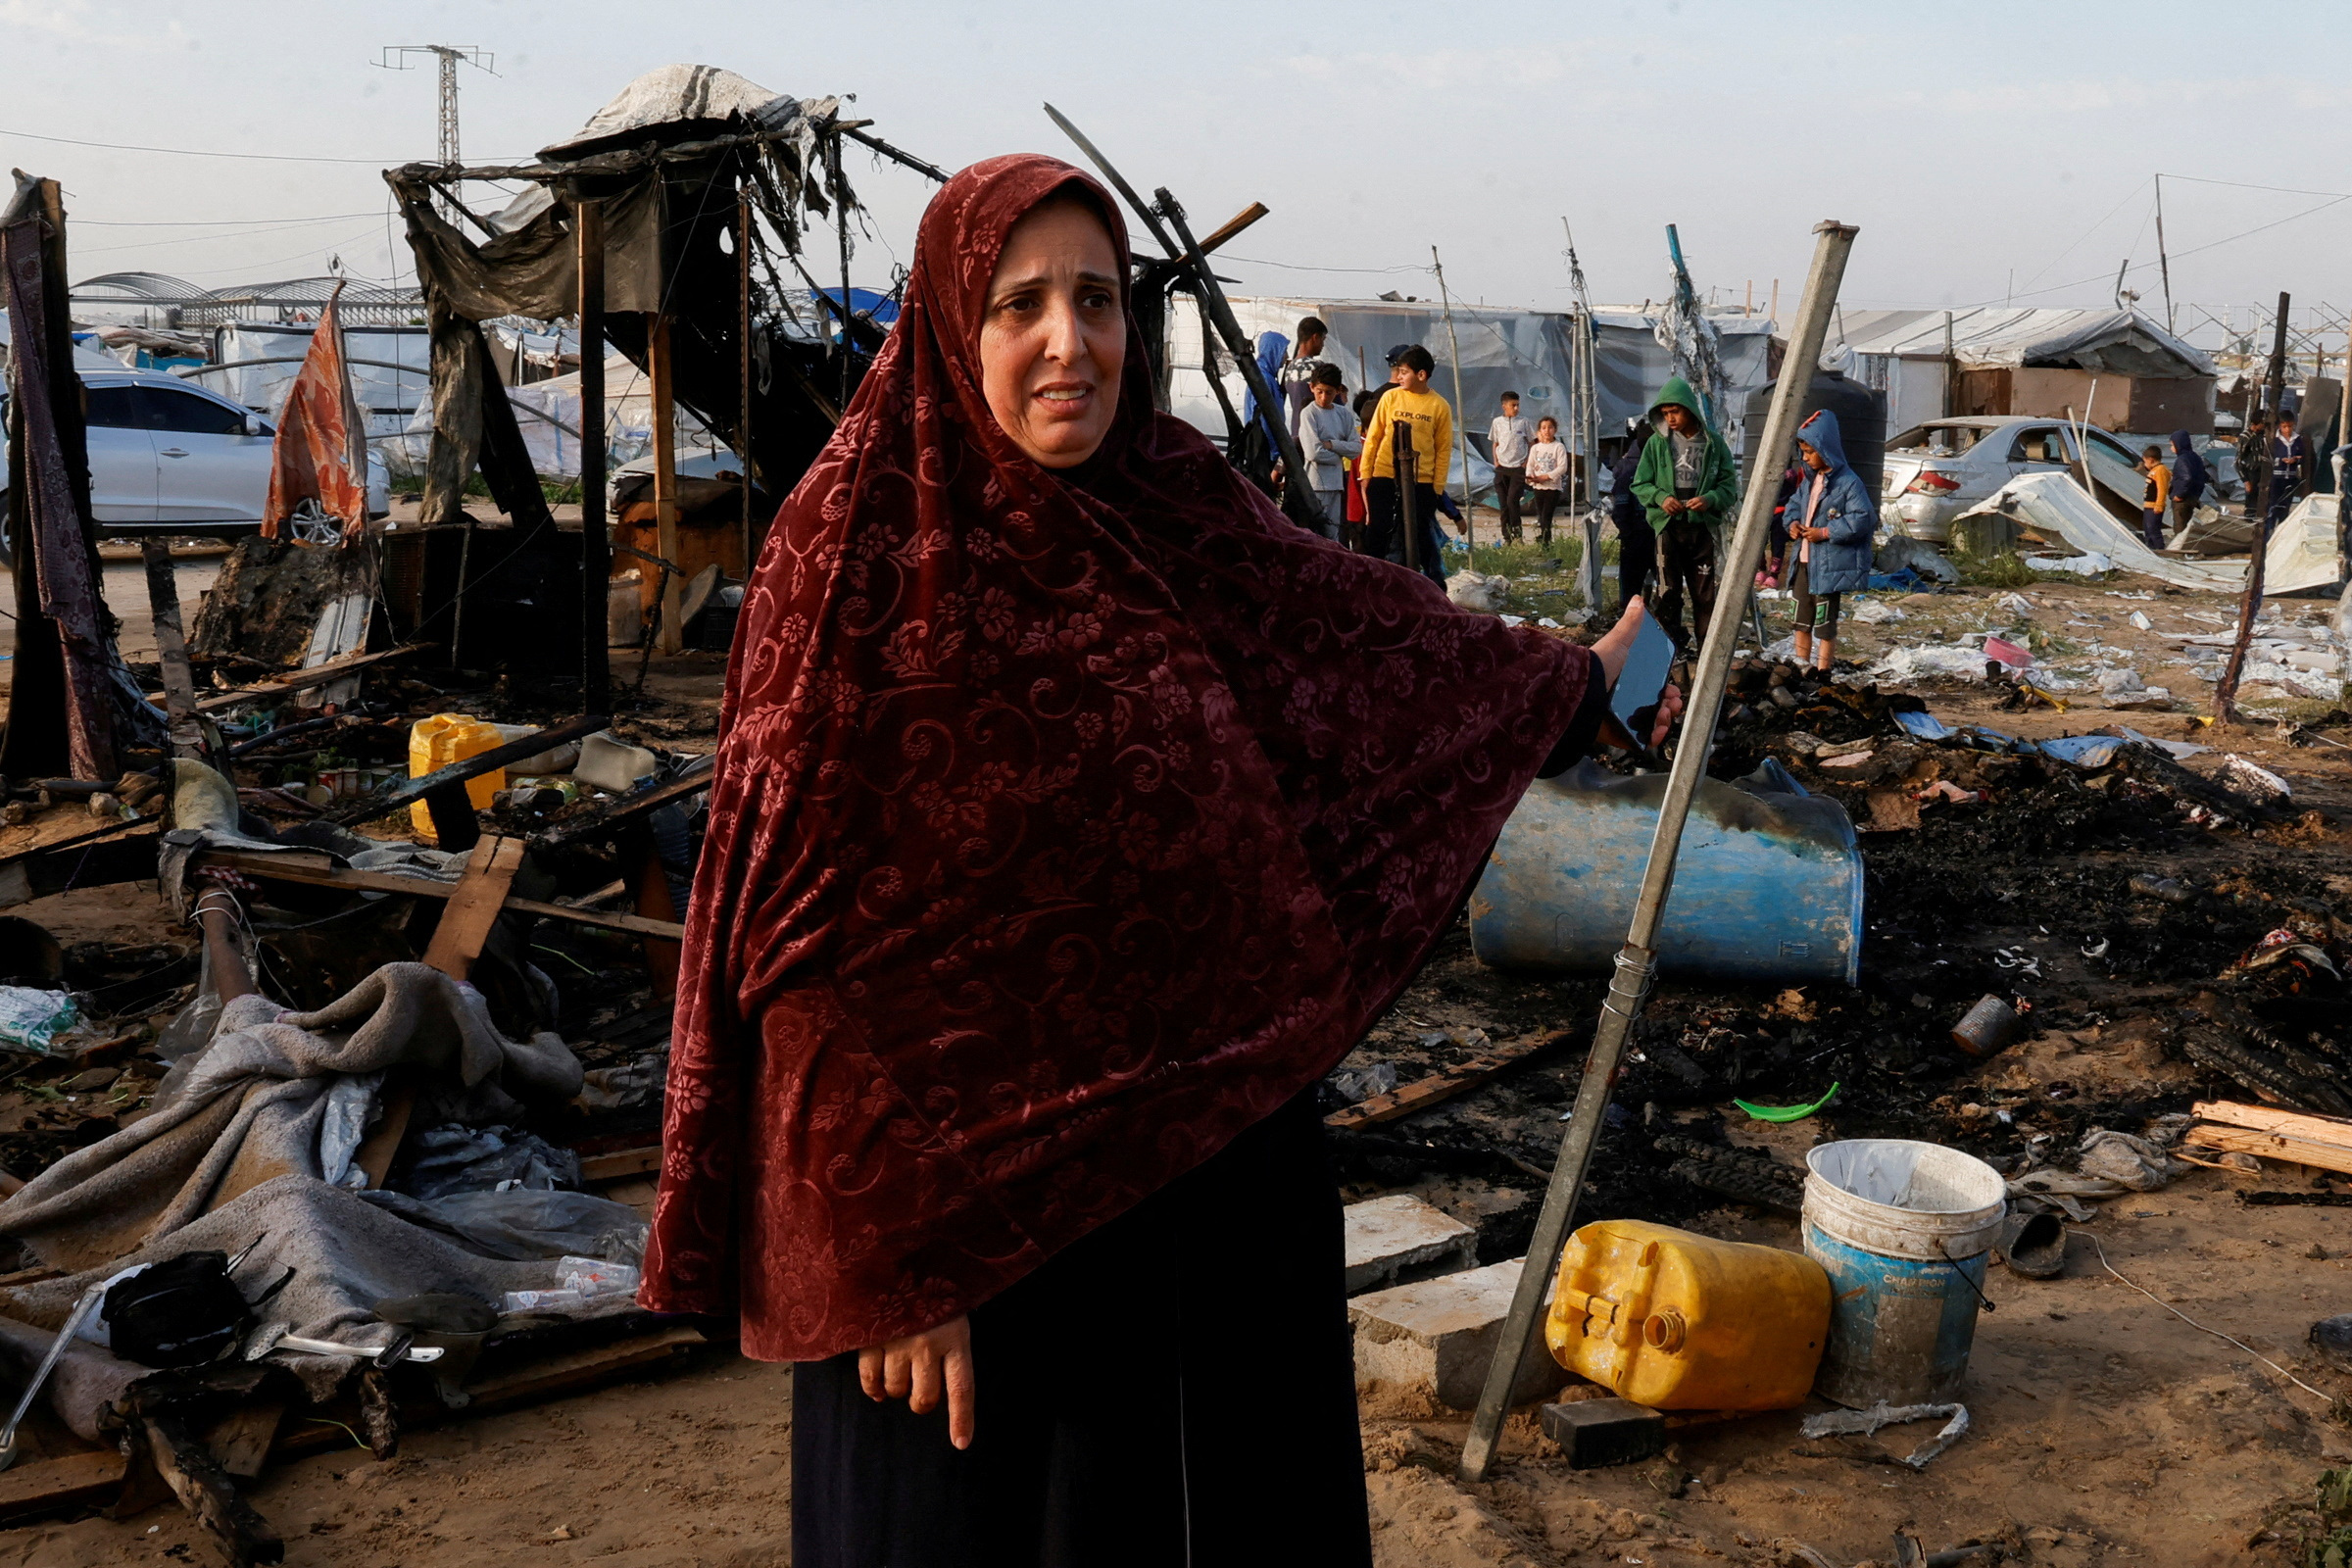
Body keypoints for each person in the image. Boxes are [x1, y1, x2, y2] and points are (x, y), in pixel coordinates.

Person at [642, 155, 1682, 1566]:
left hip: (1218, 1162)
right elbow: (792, 944)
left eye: (1098, 299)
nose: (1070, 342)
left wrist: (1569, 685)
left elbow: (1362, 652)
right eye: (1021, 306)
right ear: (953, 325)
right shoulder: (854, 562)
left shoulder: (1178, 504)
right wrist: (884, 1260)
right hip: (973, 1235)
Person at [1629, 375, 1739, 649]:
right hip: (1668, 528)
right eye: (1665, 413)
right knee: (1668, 594)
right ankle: (1670, 652)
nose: (1671, 418)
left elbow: (1729, 487)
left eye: (1675, 411)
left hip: (1701, 529)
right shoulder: (1657, 443)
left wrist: (1710, 499)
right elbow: (1640, 483)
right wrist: (1661, 497)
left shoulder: (1713, 445)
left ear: (1689, 408)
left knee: (1705, 595)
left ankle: (1706, 653)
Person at [1783, 409, 1876, 674]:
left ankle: (1823, 674)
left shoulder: (1848, 483)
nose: (1805, 457)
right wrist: (1792, 525)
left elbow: (1863, 517)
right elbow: (1793, 506)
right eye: (1803, 452)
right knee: (1800, 620)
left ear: (1826, 448)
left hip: (1828, 568)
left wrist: (1825, 533)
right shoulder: (1809, 482)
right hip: (1803, 562)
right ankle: (1802, 670)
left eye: (1810, 452)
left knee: (1824, 624)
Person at [1359, 344, 1454, 584]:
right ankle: (1370, 581)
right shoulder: (1390, 397)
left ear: (1421, 375)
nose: (1398, 377)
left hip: (1421, 480)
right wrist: (1366, 472)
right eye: (1398, 371)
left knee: (1420, 532)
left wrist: (1437, 487)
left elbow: (1443, 450)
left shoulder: (1439, 406)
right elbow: (1374, 437)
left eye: (1404, 372)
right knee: (1379, 529)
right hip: (1385, 473)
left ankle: (1434, 584)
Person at [1294, 363, 1361, 539]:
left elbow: (1356, 448)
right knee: (1315, 534)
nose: (1323, 397)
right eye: (1320, 391)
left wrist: (1332, 444)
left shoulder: (1343, 414)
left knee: (1332, 533)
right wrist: (1340, 453)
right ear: (1312, 388)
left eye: (1329, 392)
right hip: (1315, 484)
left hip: (1336, 484)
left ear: (1338, 391)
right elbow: (1313, 453)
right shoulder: (1309, 413)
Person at [1606, 418, 1655, 617]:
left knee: (1635, 585)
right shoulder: (1631, 471)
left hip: (1644, 536)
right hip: (1639, 536)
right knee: (1632, 586)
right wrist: (1627, 532)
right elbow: (1620, 508)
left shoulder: (1629, 467)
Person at [1490, 391, 1536, 543]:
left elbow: (1531, 443)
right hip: (1502, 467)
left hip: (1518, 467)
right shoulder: (1497, 422)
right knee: (1503, 504)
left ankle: (1517, 535)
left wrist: (1526, 463)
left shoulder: (1523, 422)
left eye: (1517, 405)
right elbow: (1495, 443)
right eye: (1512, 405)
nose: (1516, 408)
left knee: (1512, 501)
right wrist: (1496, 461)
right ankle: (1507, 536)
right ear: (1504, 406)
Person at [1525, 415, 1569, 548]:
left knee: (1547, 514)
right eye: (1544, 428)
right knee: (1540, 513)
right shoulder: (1535, 448)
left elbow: (1562, 467)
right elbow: (1530, 465)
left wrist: (1546, 477)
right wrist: (1530, 477)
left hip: (1552, 486)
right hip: (1538, 486)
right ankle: (1544, 537)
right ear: (1539, 431)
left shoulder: (1558, 447)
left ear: (1555, 430)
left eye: (1550, 427)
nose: (1547, 430)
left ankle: (1546, 539)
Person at [1280, 316, 1331, 426]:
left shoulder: (1289, 368)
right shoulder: (1317, 367)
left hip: (1296, 429)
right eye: (1322, 339)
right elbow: (1336, 401)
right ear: (1315, 337)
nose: (1323, 344)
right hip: (1316, 431)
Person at [2268, 409, 2312, 533]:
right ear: (2279, 426)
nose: (2287, 430)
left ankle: (2282, 531)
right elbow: (2268, 457)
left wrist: (2295, 460)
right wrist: (2280, 460)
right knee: (2273, 505)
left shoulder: (2297, 440)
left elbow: (2301, 456)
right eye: (2284, 427)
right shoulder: (2274, 440)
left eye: (2290, 426)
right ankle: (2270, 530)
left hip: (2290, 478)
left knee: (2285, 507)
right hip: (2276, 478)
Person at [2168, 429, 2209, 528]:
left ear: (2179, 444)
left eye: (2172, 445)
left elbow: (2186, 478)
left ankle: (2179, 544)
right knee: (2186, 524)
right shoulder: (2195, 457)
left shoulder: (2182, 459)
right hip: (2193, 497)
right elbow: (2203, 476)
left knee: (2179, 526)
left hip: (2182, 500)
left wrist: (2179, 494)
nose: (2171, 448)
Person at [2137, 444, 2173, 550]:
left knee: (2153, 530)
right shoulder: (2153, 471)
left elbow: (2162, 489)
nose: (2144, 464)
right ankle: (2150, 548)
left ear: (2151, 460)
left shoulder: (2160, 470)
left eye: (2145, 461)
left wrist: (2159, 505)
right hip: (2149, 505)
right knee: (2148, 529)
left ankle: (2159, 548)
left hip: (2154, 506)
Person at [2238, 415, 2271, 519]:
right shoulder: (2245, 437)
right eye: (2262, 424)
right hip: (2251, 471)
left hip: (2264, 471)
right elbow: (2238, 461)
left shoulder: (2264, 435)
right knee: (2251, 498)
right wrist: (2245, 480)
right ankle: (2250, 517)